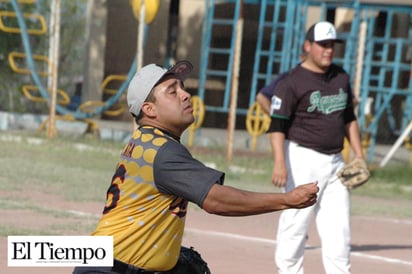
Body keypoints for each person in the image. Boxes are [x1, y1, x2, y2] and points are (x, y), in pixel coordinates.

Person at [72, 60, 319, 274]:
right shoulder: (163, 151)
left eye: (182, 87)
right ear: (149, 110)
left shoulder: (145, 142)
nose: (185, 94)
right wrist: (287, 200)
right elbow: (217, 200)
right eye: (172, 91)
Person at [267, 21, 365, 274]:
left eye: (332, 45)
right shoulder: (291, 81)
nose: (328, 50)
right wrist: (280, 163)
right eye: (323, 44)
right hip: (302, 157)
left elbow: (349, 118)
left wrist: (359, 154)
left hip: (335, 162)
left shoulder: (341, 77)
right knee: (296, 221)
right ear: (308, 46)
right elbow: (277, 125)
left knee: (339, 227)